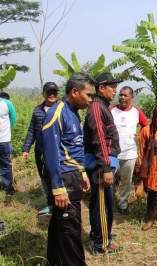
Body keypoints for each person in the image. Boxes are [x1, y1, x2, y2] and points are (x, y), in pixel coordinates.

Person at [42, 73, 93, 266]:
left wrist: (82, 172)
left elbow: (73, 148)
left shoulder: (73, 112)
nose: (90, 99)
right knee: (71, 229)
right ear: (74, 92)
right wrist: (57, 187)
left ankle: (53, 261)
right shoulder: (56, 113)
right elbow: (51, 153)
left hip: (74, 175)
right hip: (64, 179)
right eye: (88, 95)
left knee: (59, 223)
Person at [84, 72, 122, 255]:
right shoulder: (97, 108)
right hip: (101, 165)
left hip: (103, 163)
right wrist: (106, 167)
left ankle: (99, 235)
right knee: (102, 205)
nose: (115, 90)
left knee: (100, 203)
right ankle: (101, 244)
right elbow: (99, 138)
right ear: (101, 88)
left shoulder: (102, 106)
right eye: (111, 86)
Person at [22, 82, 59, 216]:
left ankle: (60, 203)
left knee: (57, 176)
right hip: (41, 152)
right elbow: (32, 130)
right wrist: (26, 148)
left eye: (54, 92)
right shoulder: (37, 110)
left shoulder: (62, 109)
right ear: (43, 93)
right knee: (45, 178)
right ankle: (50, 204)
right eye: (49, 92)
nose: (52, 95)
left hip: (57, 152)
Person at [110, 86, 148, 215]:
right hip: (112, 153)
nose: (122, 97)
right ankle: (108, 203)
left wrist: (140, 135)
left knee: (126, 181)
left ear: (131, 97)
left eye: (125, 95)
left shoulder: (136, 111)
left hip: (130, 153)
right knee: (109, 179)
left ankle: (123, 204)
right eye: (120, 95)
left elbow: (146, 125)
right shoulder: (111, 110)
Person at [0, 92, 16, 200]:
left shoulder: (7, 103)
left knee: (5, 164)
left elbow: (13, 118)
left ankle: (8, 188)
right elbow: (13, 118)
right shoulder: (7, 103)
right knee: (5, 164)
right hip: (4, 139)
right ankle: (7, 187)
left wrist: (6, 131)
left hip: (3, 139)